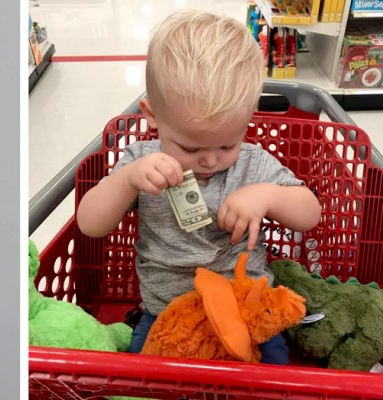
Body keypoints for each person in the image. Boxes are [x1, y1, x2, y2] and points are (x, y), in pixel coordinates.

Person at [76, 10, 321, 364]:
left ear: (249, 116)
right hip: (165, 313)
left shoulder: (254, 163)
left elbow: (309, 213)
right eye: (191, 148)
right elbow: (90, 223)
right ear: (152, 114)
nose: (210, 161)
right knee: (144, 381)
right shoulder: (141, 160)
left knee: (272, 376)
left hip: (248, 312)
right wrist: (128, 180)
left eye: (227, 145)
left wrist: (268, 196)